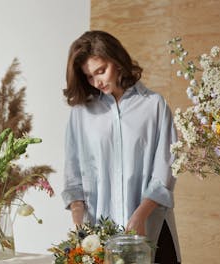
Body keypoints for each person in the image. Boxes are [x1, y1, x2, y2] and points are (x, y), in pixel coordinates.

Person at [61, 30, 181, 264]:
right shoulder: (81, 113)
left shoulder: (153, 106)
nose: (97, 82)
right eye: (89, 76)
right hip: (99, 236)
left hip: (149, 228)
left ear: (116, 60)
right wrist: (79, 226)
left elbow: (165, 171)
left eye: (101, 70)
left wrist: (139, 217)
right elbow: (73, 176)